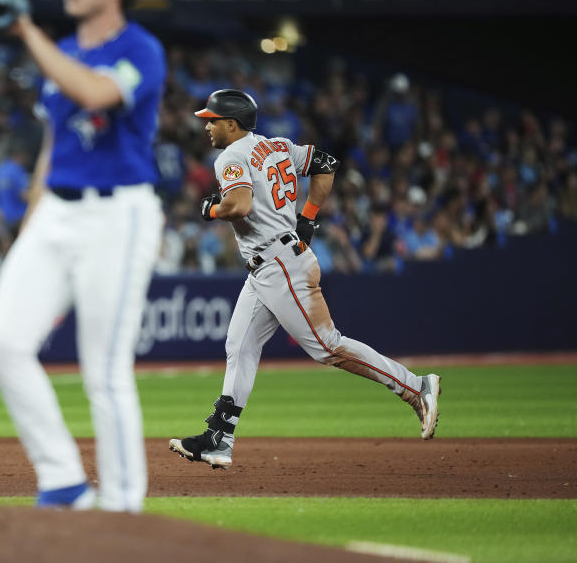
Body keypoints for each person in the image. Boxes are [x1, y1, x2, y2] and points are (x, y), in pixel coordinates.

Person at [0, 0, 166, 512]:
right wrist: (30, 226)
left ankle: (124, 508)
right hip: (58, 208)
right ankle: (62, 479)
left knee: (104, 371)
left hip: (119, 213)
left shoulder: (141, 49)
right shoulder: (58, 50)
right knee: (3, 344)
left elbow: (94, 92)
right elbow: (53, 147)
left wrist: (24, 31)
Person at [168, 89, 441, 470]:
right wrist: (308, 217)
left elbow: (239, 206)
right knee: (240, 345)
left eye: (212, 120)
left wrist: (210, 208)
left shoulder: (230, 156)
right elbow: (326, 163)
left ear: (231, 124)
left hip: (279, 265)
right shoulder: (278, 145)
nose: (207, 126)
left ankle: (415, 386)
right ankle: (219, 438)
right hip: (270, 263)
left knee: (327, 347)